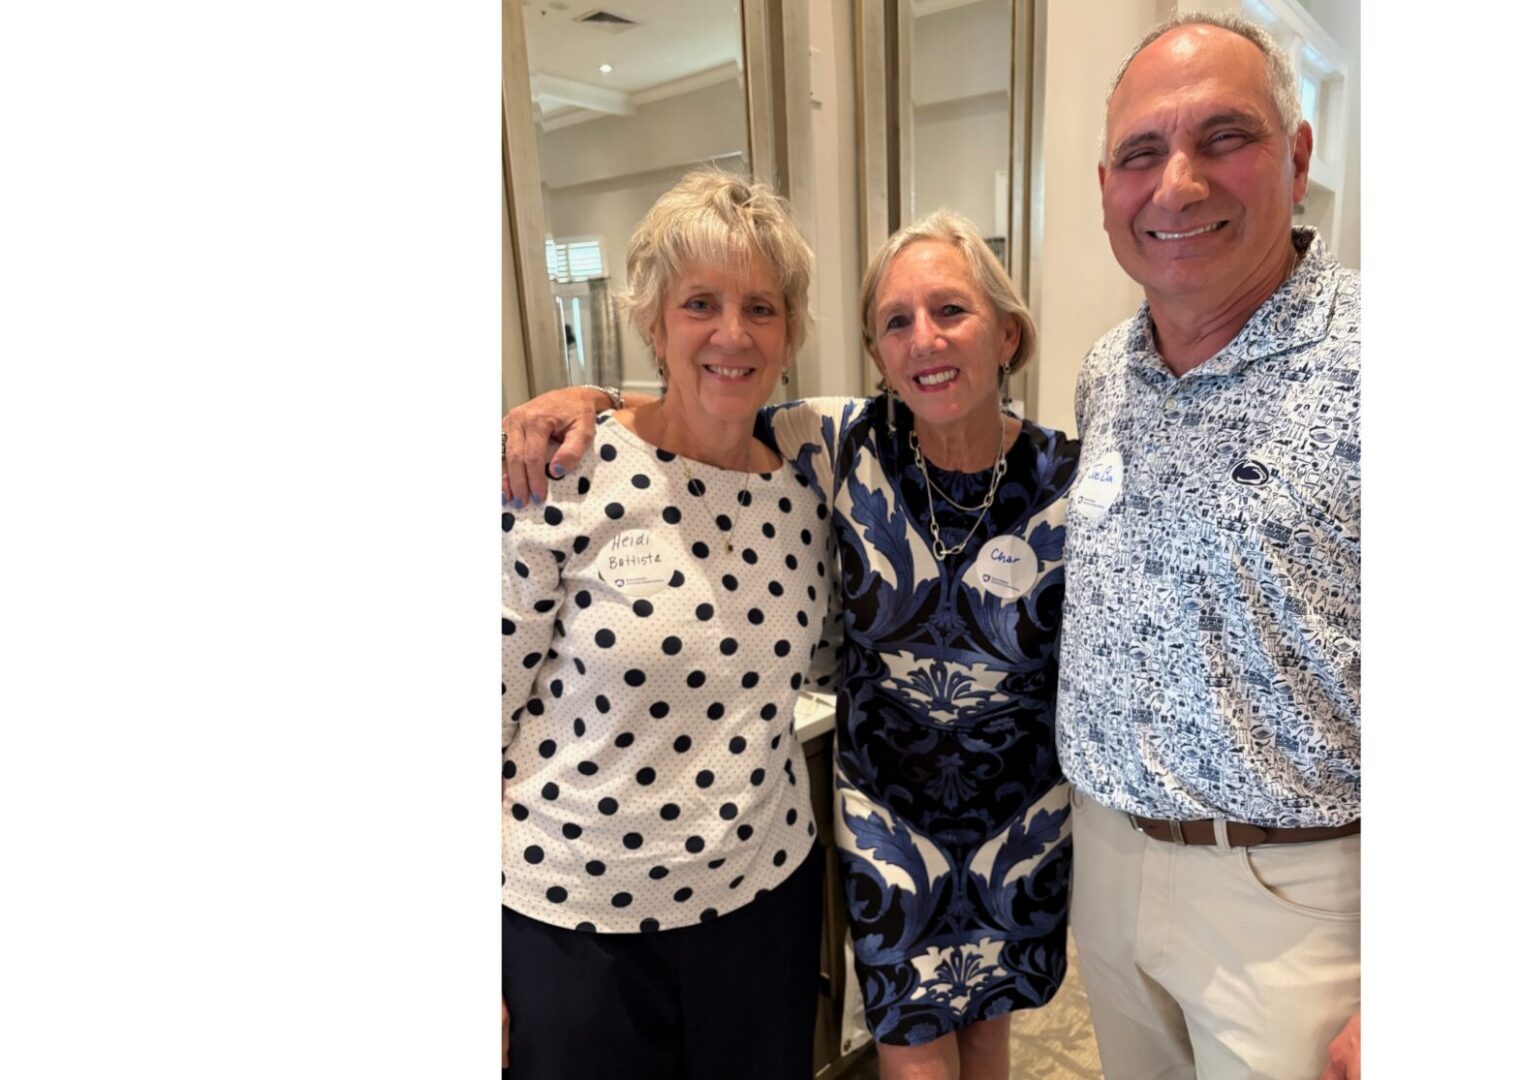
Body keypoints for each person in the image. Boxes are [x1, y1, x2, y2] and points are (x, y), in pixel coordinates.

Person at [503, 209, 1080, 1080]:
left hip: (954, 842)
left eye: (761, 308)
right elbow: (695, 409)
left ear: (1008, 333)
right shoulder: (833, 446)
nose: (924, 340)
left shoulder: (1051, 475)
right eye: (896, 321)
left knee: (987, 1035)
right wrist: (588, 398)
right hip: (834, 843)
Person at [1058, 13, 1362, 1080]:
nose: (1177, 184)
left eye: (1223, 137)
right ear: (1108, 187)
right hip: (1110, 862)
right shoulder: (1107, 371)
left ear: (1297, 157)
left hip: (1297, 900)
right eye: (1142, 153)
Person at [500, 168, 838, 1080]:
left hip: (762, 909)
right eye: (700, 304)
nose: (733, 333)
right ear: (652, 323)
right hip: (575, 925)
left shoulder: (805, 489)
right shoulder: (561, 471)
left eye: (760, 307)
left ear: (790, 333)